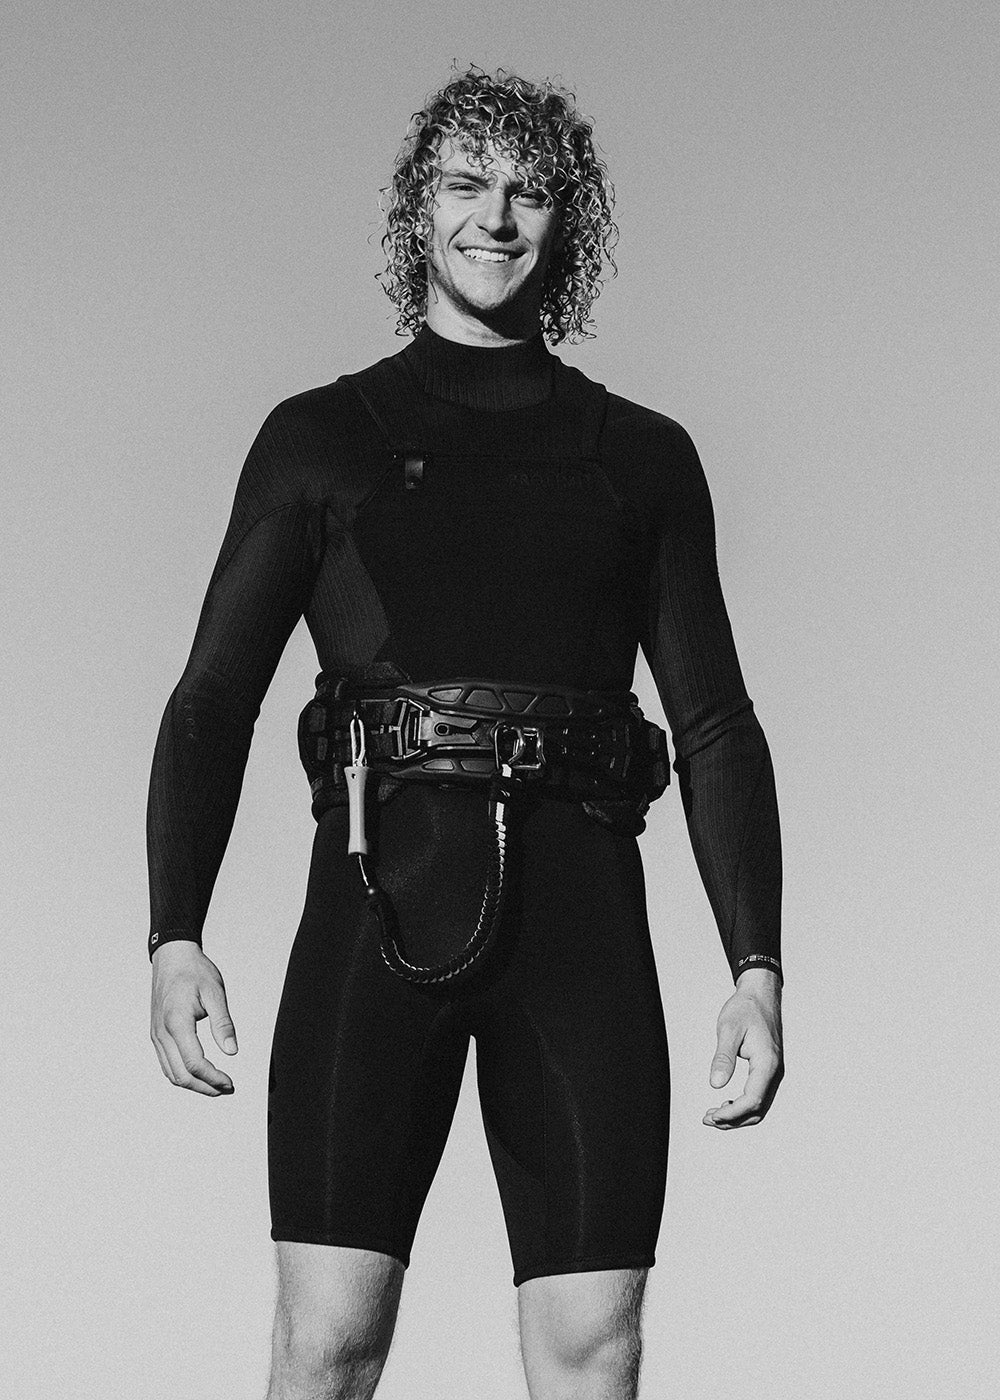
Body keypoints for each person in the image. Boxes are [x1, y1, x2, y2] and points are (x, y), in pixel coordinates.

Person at [147, 66, 785, 1400]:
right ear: (415, 208)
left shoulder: (643, 458)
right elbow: (211, 698)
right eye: (464, 183)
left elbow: (716, 722)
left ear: (567, 220)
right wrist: (176, 932)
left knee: (593, 1351)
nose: (494, 217)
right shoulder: (320, 441)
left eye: (528, 190)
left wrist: (756, 967)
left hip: (582, 928)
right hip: (378, 908)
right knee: (328, 1341)